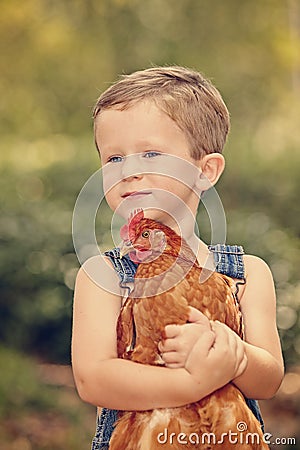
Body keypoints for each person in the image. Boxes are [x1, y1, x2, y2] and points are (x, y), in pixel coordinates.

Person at [71, 66, 284, 449]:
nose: (129, 172)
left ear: (206, 171)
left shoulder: (247, 274)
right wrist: (191, 383)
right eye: (113, 159)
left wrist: (233, 357)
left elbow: (268, 380)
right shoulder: (103, 275)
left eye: (150, 153)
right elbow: (93, 378)